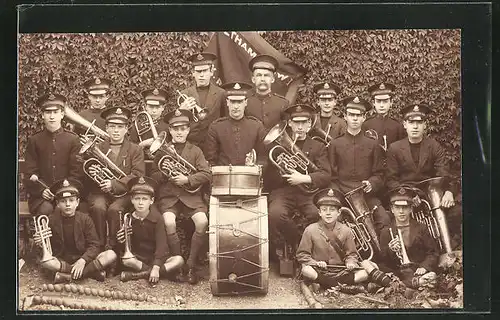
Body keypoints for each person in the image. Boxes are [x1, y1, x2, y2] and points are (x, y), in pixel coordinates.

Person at [386, 103, 462, 248]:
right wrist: (407, 196)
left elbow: (444, 173)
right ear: (404, 124)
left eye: (419, 122)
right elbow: (391, 179)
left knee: (457, 211)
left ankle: (450, 246)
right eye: (411, 122)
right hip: (406, 195)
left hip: (431, 195)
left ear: (425, 125)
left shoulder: (434, 146)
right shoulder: (394, 148)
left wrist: (448, 192)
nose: (415, 126)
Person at [150, 108, 211, 284]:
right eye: (175, 129)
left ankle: (190, 264)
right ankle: (178, 260)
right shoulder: (162, 151)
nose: (179, 132)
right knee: (168, 221)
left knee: (202, 221)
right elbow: (153, 176)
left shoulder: (196, 151)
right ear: (170, 131)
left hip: (191, 197)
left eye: (183, 128)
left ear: (188, 130)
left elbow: (206, 174)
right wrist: (166, 174)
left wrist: (188, 179)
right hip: (169, 198)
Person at [266, 104, 331, 262]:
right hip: (283, 192)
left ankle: (304, 249)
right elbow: (268, 179)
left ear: (310, 124)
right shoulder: (278, 146)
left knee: (317, 215)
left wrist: (303, 178)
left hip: (307, 194)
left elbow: (326, 175)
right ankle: (294, 241)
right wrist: (281, 171)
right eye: (296, 122)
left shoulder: (318, 146)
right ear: (290, 124)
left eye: (304, 122)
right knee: (274, 214)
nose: (300, 127)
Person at [297, 188, 391, 290]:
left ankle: (325, 283)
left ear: (339, 212)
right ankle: (339, 285)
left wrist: (350, 262)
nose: (328, 213)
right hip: (320, 270)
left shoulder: (346, 230)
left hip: (340, 272)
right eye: (324, 210)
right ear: (319, 212)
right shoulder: (310, 230)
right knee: (306, 270)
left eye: (332, 210)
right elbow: (302, 255)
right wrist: (316, 263)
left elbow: (351, 254)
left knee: (364, 273)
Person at [84, 106, 145, 252]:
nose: (116, 130)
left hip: (125, 193)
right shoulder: (97, 147)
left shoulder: (135, 149)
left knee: (114, 209)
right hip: (100, 192)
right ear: (106, 128)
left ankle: (115, 249)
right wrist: (93, 172)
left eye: (120, 127)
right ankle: (97, 247)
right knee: (98, 207)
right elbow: (87, 174)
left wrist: (114, 184)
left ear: (126, 129)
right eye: (112, 126)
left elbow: (137, 174)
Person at [33, 178, 117, 284]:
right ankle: (89, 273)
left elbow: (95, 245)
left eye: (71, 200)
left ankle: (67, 276)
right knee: (47, 262)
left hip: (83, 259)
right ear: (58, 204)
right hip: (63, 260)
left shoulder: (85, 219)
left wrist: (83, 260)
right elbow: (46, 251)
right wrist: (41, 243)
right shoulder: (51, 220)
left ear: (77, 202)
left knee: (111, 254)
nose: (68, 204)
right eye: (63, 201)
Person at [328, 96, 391, 234]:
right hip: (342, 197)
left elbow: (380, 174)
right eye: (351, 115)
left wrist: (371, 184)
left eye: (358, 115)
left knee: (384, 220)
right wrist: (336, 196)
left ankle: (382, 255)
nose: (355, 119)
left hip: (367, 196)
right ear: (345, 116)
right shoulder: (335, 144)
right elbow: (331, 176)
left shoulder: (373, 145)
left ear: (364, 118)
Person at [117, 176, 184, 284]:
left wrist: (156, 267)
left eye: (144, 199)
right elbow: (125, 249)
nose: (140, 203)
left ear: (151, 201)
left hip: (156, 258)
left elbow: (161, 246)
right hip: (138, 259)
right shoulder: (128, 218)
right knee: (127, 260)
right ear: (132, 200)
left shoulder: (157, 218)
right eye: (137, 198)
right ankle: (160, 273)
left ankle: (139, 275)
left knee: (178, 260)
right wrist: (121, 241)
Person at [24, 93, 83, 217]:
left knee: (68, 208)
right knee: (46, 209)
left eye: (55, 112)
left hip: (67, 193)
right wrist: (41, 191)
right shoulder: (34, 140)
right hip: (40, 197)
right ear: (42, 115)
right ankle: (44, 237)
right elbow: (30, 172)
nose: (52, 116)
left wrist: (65, 191)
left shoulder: (72, 139)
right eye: (48, 112)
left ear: (62, 115)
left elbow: (76, 172)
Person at [379, 187, 439, 289]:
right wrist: (390, 250)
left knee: (432, 276)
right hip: (398, 272)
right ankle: (413, 283)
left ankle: (403, 285)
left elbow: (433, 253)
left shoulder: (421, 228)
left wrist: (424, 267)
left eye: (405, 207)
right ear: (392, 210)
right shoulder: (386, 231)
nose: (401, 211)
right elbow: (382, 261)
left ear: (411, 209)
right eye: (397, 208)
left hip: (417, 270)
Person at [205, 82, 267, 166]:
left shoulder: (257, 126)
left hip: (249, 176)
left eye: (239, 102)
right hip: (224, 176)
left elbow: (263, 158)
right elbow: (211, 160)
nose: (236, 106)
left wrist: (253, 166)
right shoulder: (216, 127)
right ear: (227, 102)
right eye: (233, 102)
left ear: (245, 102)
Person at [177, 52, 226, 153]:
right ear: (193, 73)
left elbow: (225, 120)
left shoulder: (222, 93)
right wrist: (182, 110)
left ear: (211, 71)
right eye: (198, 72)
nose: (202, 75)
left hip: (215, 145)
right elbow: (178, 123)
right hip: (190, 146)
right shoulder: (184, 93)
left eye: (205, 71)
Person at [246, 54, 289, 131]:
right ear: (253, 79)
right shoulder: (245, 102)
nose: (262, 79)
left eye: (266, 75)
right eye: (259, 75)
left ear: (272, 79)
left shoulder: (283, 103)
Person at [362, 82, 406, 152]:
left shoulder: (398, 126)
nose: (381, 105)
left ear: (391, 102)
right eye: (378, 101)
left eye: (385, 101)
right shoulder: (366, 125)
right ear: (374, 103)